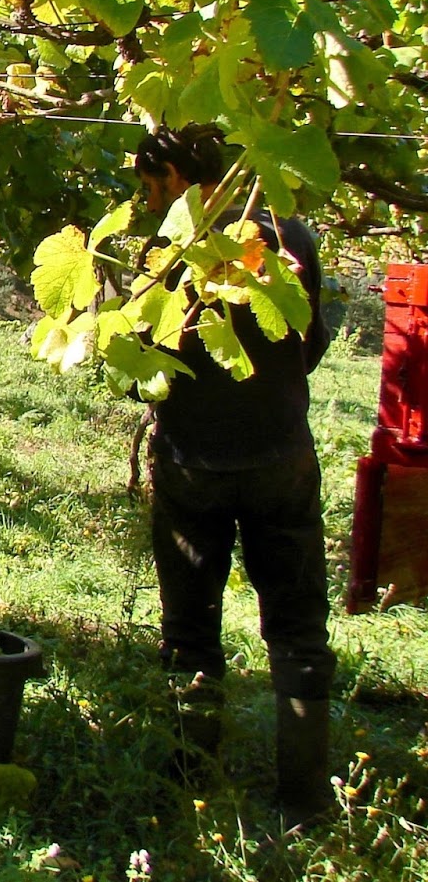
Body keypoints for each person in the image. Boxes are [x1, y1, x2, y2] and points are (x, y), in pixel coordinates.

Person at [134, 124, 334, 827]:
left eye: (151, 185)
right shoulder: (290, 234)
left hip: (192, 464)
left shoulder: (168, 252)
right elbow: (309, 340)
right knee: (299, 627)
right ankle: (306, 801)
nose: (147, 200)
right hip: (282, 454)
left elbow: (140, 367)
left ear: (178, 177)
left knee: (190, 631)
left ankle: (188, 787)